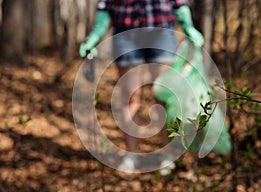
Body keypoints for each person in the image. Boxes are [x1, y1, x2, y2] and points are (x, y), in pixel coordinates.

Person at [79, 0, 204, 174]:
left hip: (161, 31)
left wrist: (188, 26)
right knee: (130, 97)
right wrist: (95, 35)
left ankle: (167, 155)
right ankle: (131, 155)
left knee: (163, 95)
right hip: (125, 34)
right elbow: (105, 5)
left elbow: (179, 2)